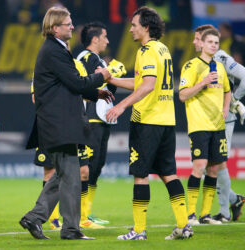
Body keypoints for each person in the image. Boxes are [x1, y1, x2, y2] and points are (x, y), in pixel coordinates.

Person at [20, 6, 112, 240]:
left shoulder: (56, 49)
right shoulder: (54, 51)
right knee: (70, 174)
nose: (72, 26)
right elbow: (76, 83)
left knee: (63, 173)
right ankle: (70, 229)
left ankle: (35, 217)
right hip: (59, 122)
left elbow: (67, 86)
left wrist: (95, 94)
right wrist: (103, 76)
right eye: (67, 23)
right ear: (54, 28)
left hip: (59, 121)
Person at [106, 6, 193, 240]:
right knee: (169, 173)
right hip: (166, 119)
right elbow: (140, 82)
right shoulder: (163, 49)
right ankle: (184, 225)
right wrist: (111, 79)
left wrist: (121, 106)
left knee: (140, 174)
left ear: (146, 27)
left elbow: (147, 85)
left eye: (134, 25)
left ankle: (138, 230)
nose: (131, 29)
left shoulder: (145, 51)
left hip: (146, 120)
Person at [193, 24, 245, 222]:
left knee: (218, 162)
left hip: (225, 119)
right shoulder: (198, 62)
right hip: (208, 119)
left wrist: (234, 101)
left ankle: (224, 211)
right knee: (212, 163)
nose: (195, 42)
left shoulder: (222, 57)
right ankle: (233, 200)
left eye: (198, 38)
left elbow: (244, 76)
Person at [76, 21, 126, 225]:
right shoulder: (85, 58)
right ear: (95, 39)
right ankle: (80, 216)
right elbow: (86, 84)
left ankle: (87, 212)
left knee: (97, 165)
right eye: (104, 36)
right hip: (90, 118)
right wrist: (111, 73)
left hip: (102, 118)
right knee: (86, 167)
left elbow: (108, 92)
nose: (107, 40)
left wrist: (113, 76)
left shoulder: (99, 60)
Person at [179, 28, 231, 225]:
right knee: (199, 166)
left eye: (216, 43)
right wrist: (203, 82)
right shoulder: (191, 66)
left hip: (217, 125)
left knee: (214, 169)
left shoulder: (220, 67)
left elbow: (227, 90)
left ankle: (205, 215)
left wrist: (226, 108)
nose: (213, 46)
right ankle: (190, 214)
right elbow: (183, 95)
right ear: (201, 43)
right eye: (210, 42)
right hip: (199, 124)